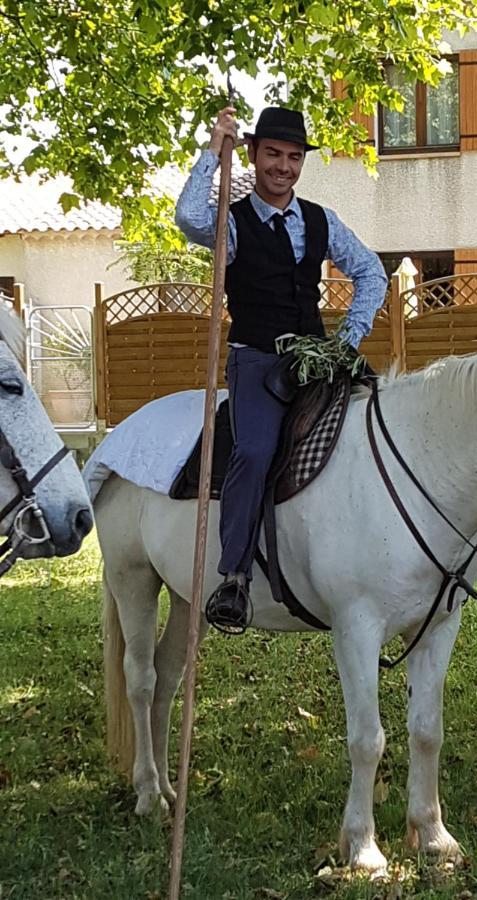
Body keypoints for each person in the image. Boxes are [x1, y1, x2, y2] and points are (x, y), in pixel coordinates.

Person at [175, 106, 387, 635]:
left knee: (378, 425)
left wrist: (346, 340)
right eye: (273, 153)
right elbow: (187, 219)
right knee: (254, 450)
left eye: (294, 157)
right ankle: (235, 577)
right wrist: (209, 150)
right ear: (253, 155)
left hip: (316, 358)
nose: (283, 167)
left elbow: (371, 272)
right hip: (256, 359)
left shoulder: (321, 221)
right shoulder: (233, 220)